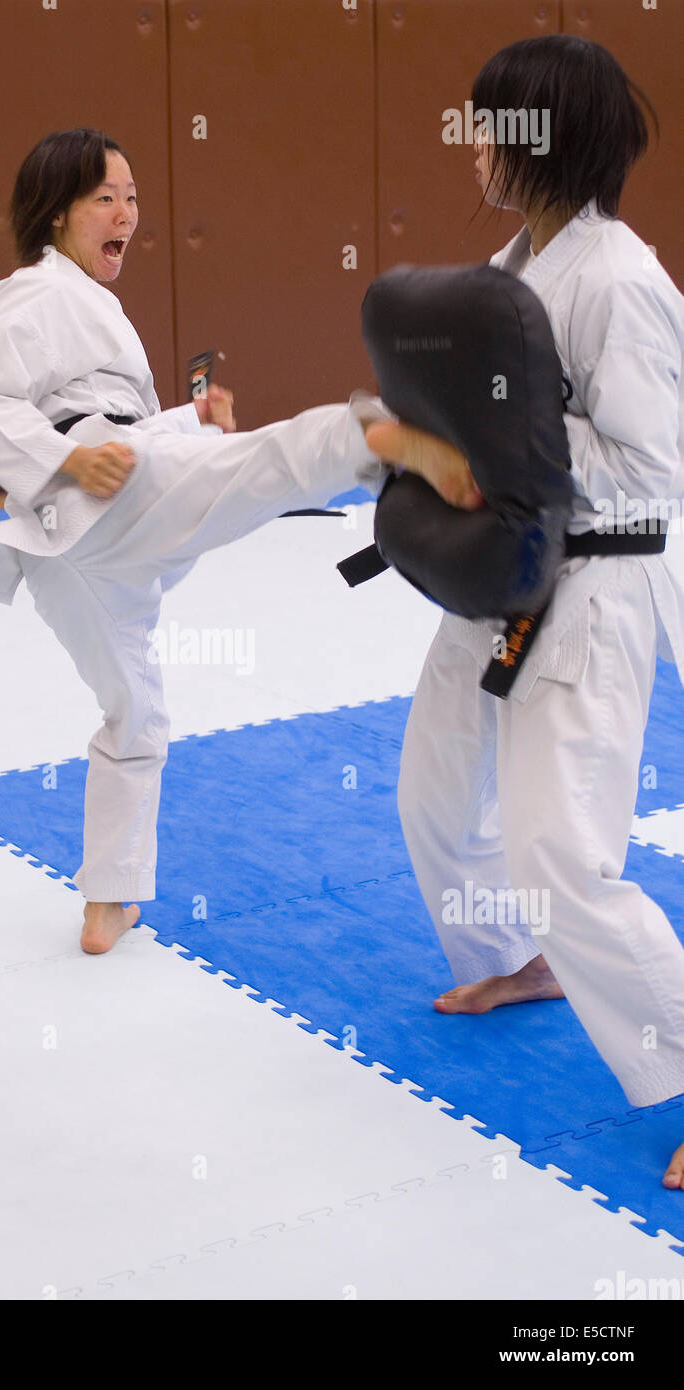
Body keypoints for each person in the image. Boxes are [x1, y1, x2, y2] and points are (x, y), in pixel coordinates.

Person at [0, 129, 474, 959]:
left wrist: (185, 419)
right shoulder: (34, 293)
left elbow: (104, 424)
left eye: (132, 198)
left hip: (70, 549)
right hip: (96, 495)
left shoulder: (82, 302)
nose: (127, 214)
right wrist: (74, 458)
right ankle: (364, 435)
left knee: (135, 714)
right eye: (104, 199)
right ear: (54, 214)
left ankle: (107, 902)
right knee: (257, 468)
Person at [392, 36, 684, 1190]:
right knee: (431, 790)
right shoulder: (516, 263)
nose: (466, 144)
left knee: (559, 847)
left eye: (483, 125)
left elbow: (653, 468)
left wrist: (504, 426)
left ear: (536, 139)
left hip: (594, 585)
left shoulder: (618, 282)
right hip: (499, 568)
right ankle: (516, 959)